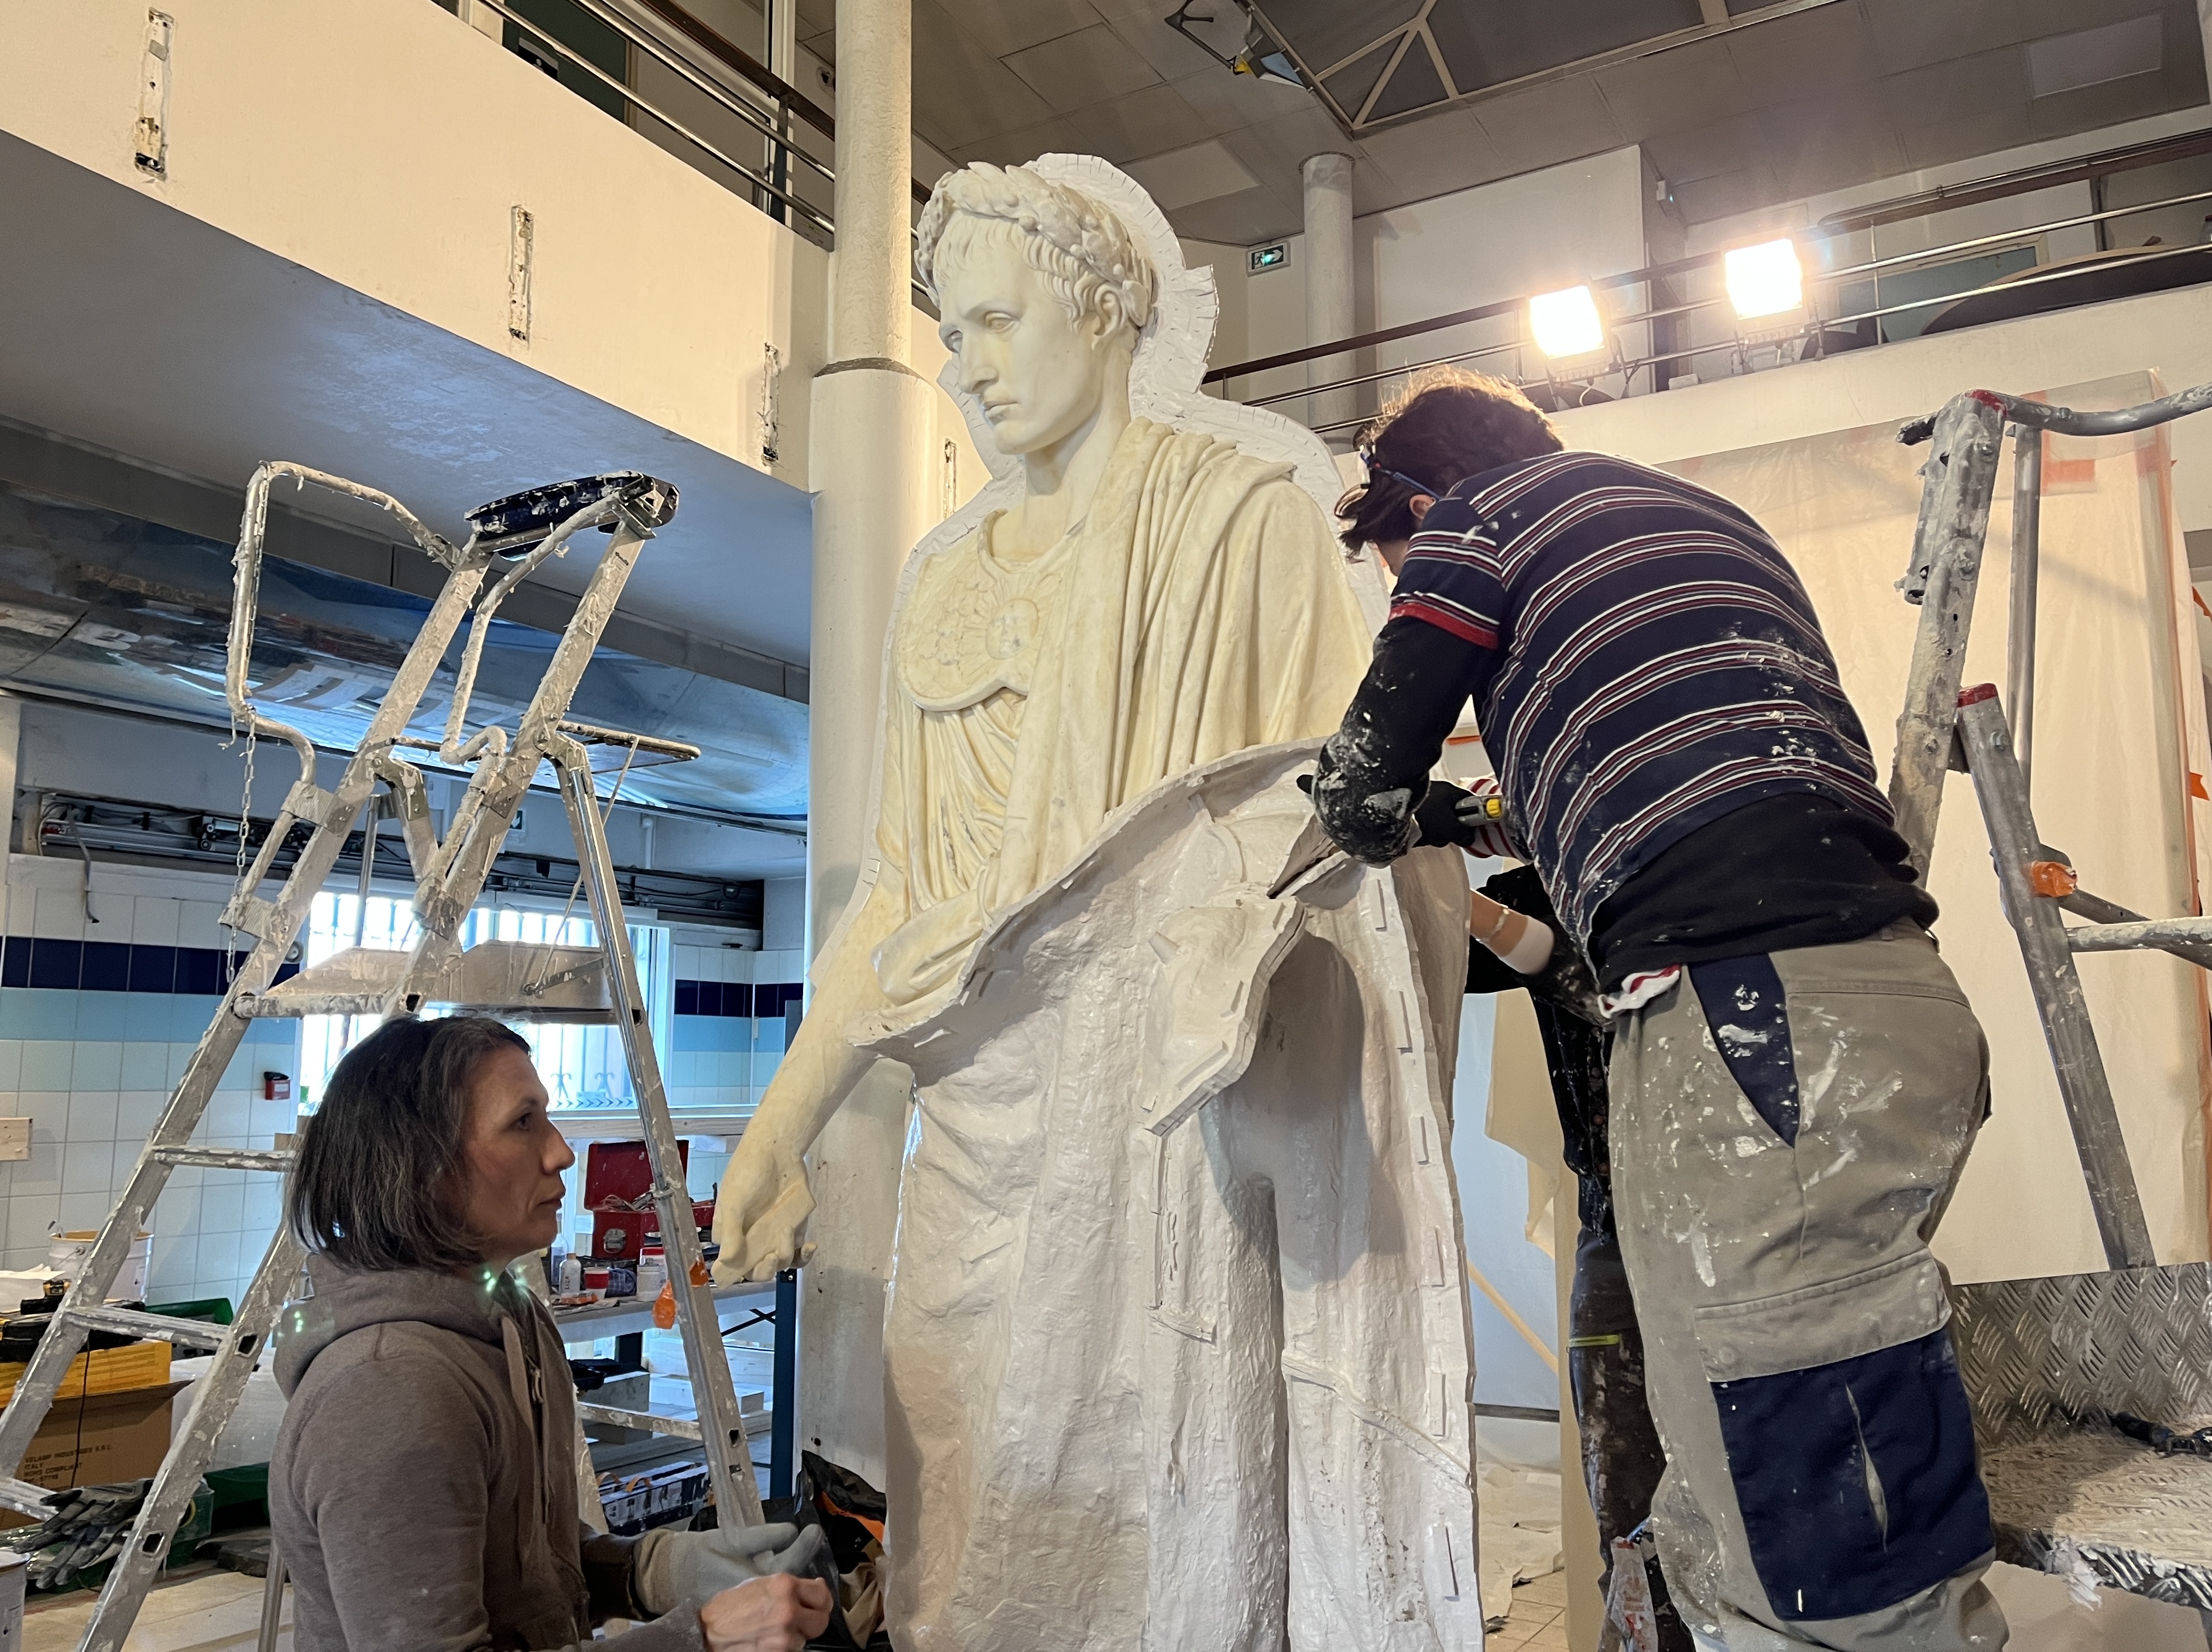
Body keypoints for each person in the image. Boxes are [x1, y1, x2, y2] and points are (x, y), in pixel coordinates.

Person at [1314, 371, 2005, 1652]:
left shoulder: (1475, 520)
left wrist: (1395, 812)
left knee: (1829, 1559)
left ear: (1419, 497)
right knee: (1746, 1493)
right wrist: (1479, 813)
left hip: (1756, 1028)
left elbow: (1355, 793)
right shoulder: (1695, 519)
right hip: (1887, 1003)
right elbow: (1655, 766)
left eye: (1396, 562)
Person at [270, 1014, 835, 1652]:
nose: (562, 1151)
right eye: (523, 1122)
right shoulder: (389, 1388)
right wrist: (696, 1639)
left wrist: (650, 1570)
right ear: (421, 1166)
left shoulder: (511, 1319)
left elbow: (523, 1573)